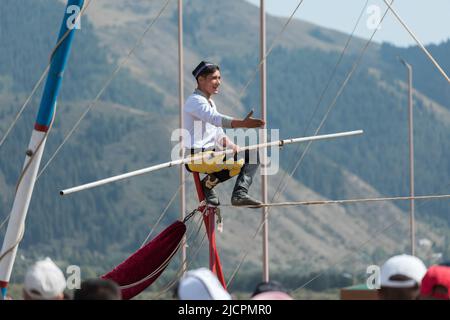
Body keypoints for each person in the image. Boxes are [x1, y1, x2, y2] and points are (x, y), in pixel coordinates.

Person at [183, 61, 265, 207]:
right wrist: (242, 123)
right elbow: (215, 119)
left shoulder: (210, 103)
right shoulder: (195, 101)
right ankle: (232, 193)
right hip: (196, 156)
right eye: (214, 78)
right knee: (239, 161)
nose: (218, 82)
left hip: (212, 153)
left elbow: (219, 134)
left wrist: (234, 146)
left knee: (252, 155)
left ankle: (219, 188)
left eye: (219, 78)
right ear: (201, 80)